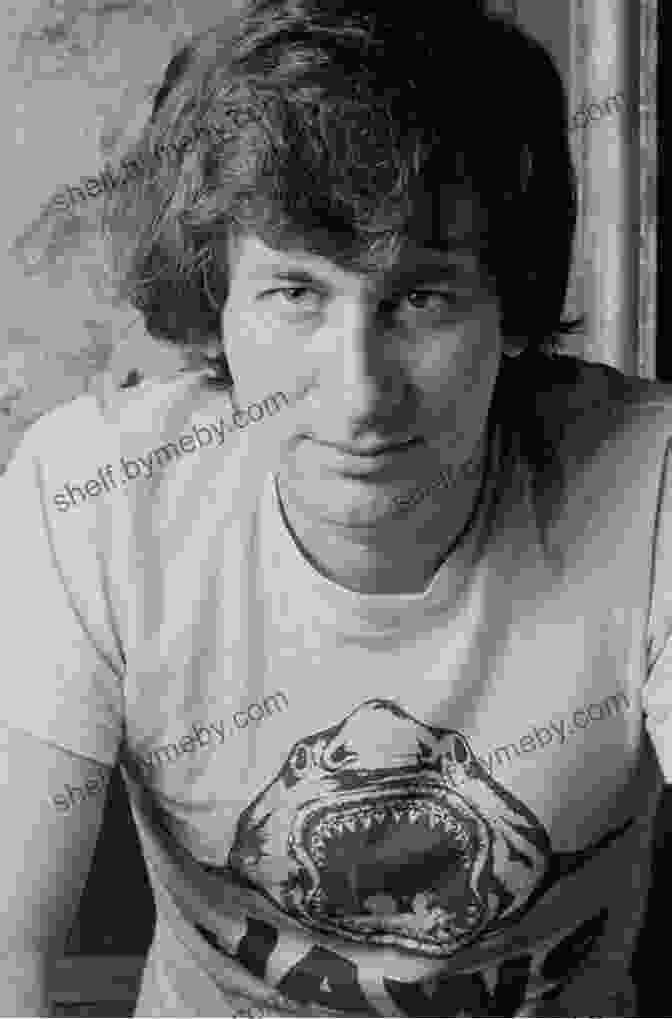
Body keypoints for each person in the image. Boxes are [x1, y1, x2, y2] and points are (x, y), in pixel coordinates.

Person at [0, 2, 668, 1015]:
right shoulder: (91, 494)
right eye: (296, 295)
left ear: (512, 306)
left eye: (424, 298)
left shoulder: (649, 481)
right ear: (216, 308)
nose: (357, 393)